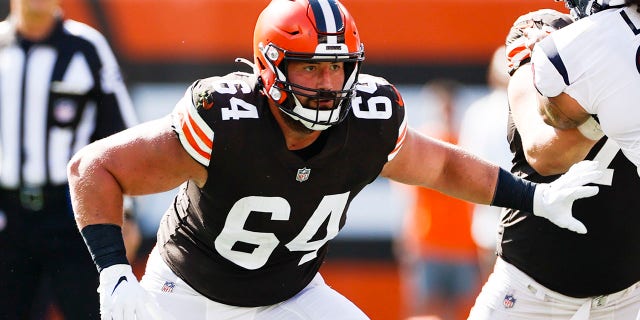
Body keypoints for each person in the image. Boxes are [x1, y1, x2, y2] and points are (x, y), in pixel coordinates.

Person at [66, 0, 604, 319]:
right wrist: (114, 274)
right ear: (270, 65)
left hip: (292, 296)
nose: (328, 84)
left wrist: (533, 196)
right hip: (189, 294)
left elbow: (441, 167)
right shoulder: (225, 117)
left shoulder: (368, 120)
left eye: (337, 67)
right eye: (310, 68)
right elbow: (94, 168)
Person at [467, 7, 640, 319]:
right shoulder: (547, 30)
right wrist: (615, 97)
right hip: (533, 288)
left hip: (629, 293)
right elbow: (544, 154)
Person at [0, 0, 139, 319]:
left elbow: (118, 134)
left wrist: (126, 213)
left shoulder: (86, 47)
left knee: (92, 311)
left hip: (73, 212)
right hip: (8, 217)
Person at [398, 79, 481, 320]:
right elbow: (408, 199)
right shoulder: (418, 144)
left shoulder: (467, 145)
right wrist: (408, 239)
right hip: (428, 243)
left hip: (463, 245)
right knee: (425, 311)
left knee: (456, 311)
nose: (446, 112)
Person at [457, 45, 512, 282]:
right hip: (526, 210)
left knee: (494, 289)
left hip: (489, 208)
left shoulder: (477, 111)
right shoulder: (534, 109)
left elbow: (466, 164)